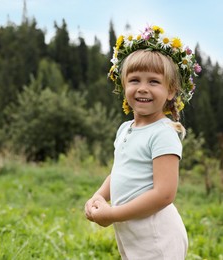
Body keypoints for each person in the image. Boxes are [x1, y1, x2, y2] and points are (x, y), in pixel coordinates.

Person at [84, 25, 201, 259]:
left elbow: (164, 194)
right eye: (135, 80)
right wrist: (98, 196)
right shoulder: (125, 129)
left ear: (171, 91)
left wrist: (113, 214)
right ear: (123, 85)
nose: (143, 88)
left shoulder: (163, 133)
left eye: (154, 82)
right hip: (132, 232)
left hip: (157, 238)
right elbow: (119, 172)